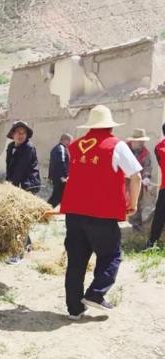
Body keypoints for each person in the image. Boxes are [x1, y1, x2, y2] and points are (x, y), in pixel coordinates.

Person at [60, 105, 142, 320]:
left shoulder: (75, 146)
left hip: (74, 212)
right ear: (110, 125)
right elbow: (136, 176)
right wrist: (132, 202)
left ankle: (74, 309)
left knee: (76, 260)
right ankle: (96, 294)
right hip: (101, 213)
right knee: (111, 255)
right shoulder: (116, 145)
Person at [5, 120, 41, 265]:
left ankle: (18, 253)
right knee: (19, 218)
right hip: (15, 186)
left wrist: (11, 186)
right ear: (13, 134)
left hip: (27, 186)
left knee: (19, 219)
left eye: (23, 133)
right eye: (18, 132)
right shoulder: (10, 147)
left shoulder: (28, 148)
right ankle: (27, 245)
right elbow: (10, 169)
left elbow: (21, 169)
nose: (20, 135)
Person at [125, 129, 152, 231]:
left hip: (137, 181)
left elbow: (147, 167)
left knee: (136, 203)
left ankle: (135, 226)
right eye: (140, 141)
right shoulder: (124, 149)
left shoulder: (145, 153)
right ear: (133, 141)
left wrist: (146, 177)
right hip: (123, 181)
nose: (142, 143)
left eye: (143, 141)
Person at [147, 124, 165, 248]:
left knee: (159, 215)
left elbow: (161, 164)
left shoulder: (158, 147)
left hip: (164, 186)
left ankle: (152, 242)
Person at [48, 133, 73, 208]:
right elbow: (61, 163)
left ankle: (48, 208)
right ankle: (48, 209)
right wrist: (65, 176)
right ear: (65, 140)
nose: (70, 144)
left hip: (56, 177)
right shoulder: (61, 148)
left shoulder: (55, 148)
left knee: (57, 195)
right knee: (58, 196)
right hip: (60, 177)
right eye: (70, 141)